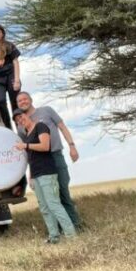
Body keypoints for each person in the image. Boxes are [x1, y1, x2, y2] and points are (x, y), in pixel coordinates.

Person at [16, 91, 82, 229]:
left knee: (63, 191)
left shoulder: (46, 111)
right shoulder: (21, 124)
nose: (23, 102)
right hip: (40, 163)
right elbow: (27, 151)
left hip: (55, 155)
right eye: (19, 101)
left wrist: (72, 146)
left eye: (25, 99)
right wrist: (30, 173)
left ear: (31, 99)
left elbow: (62, 127)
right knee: (50, 198)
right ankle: (59, 229)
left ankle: (76, 225)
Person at [13, 109, 76, 244]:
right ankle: (54, 237)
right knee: (44, 208)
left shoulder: (41, 126)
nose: (20, 120)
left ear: (27, 115)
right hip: (36, 174)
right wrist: (30, 176)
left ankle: (71, 236)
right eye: (17, 120)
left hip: (47, 172)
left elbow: (45, 146)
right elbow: (31, 157)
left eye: (21, 116)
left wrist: (25, 145)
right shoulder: (27, 134)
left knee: (54, 205)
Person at [0, 23, 22, 129]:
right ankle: (8, 128)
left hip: (10, 75)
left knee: (15, 102)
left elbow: (15, 62)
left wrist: (16, 80)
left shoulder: (9, 45)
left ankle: (20, 128)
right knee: (1, 101)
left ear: (2, 34)